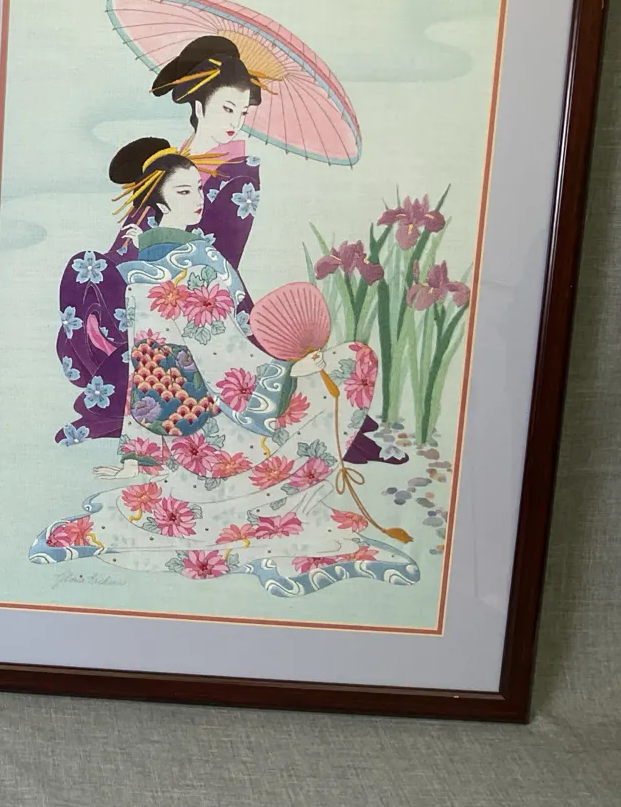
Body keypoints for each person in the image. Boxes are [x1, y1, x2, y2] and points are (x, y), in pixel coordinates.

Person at [36, 225, 417, 597]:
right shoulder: (194, 286)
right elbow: (236, 377)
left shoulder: (146, 298)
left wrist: (139, 459)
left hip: (190, 449)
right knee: (353, 359)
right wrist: (290, 374)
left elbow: (148, 392)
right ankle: (266, 511)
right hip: (234, 446)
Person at [54, 36, 266, 443]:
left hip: (196, 288)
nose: (236, 122)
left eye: (242, 112)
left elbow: (220, 254)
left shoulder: (239, 174)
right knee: (86, 270)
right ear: (199, 106)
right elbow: (128, 235)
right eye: (227, 108)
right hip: (145, 273)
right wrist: (127, 258)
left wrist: (149, 255)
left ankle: (122, 401)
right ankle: (118, 386)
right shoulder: (171, 162)